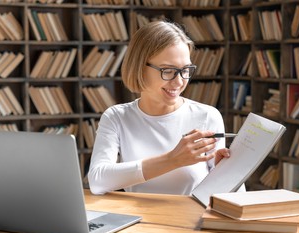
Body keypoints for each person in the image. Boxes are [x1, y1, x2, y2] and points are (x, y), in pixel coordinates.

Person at [88, 20, 240, 195]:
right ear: (140, 67)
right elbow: (97, 181)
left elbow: (226, 197)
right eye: (167, 70)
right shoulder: (117, 117)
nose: (179, 81)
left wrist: (229, 171)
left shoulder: (207, 116)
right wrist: (173, 160)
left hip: (191, 219)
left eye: (185, 70)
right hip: (139, 220)